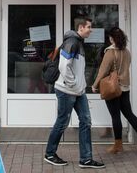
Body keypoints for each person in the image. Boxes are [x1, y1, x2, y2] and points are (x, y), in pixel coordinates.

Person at [44, 17, 105, 169]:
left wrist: (80, 87)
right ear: (81, 27)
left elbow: (76, 69)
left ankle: (85, 158)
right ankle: (50, 154)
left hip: (78, 91)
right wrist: (73, 84)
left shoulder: (78, 43)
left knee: (86, 121)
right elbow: (64, 67)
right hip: (66, 90)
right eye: (89, 27)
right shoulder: (72, 42)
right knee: (62, 122)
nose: (91, 30)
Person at [92, 27, 137, 154]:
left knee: (115, 116)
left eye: (110, 37)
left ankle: (118, 145)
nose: (109, 39)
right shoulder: (127, 52)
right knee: (129, 114)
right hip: (125, 88)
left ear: (112, 38)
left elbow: (102, 71)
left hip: (113, 88)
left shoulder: (110, 52)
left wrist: (95, 85)